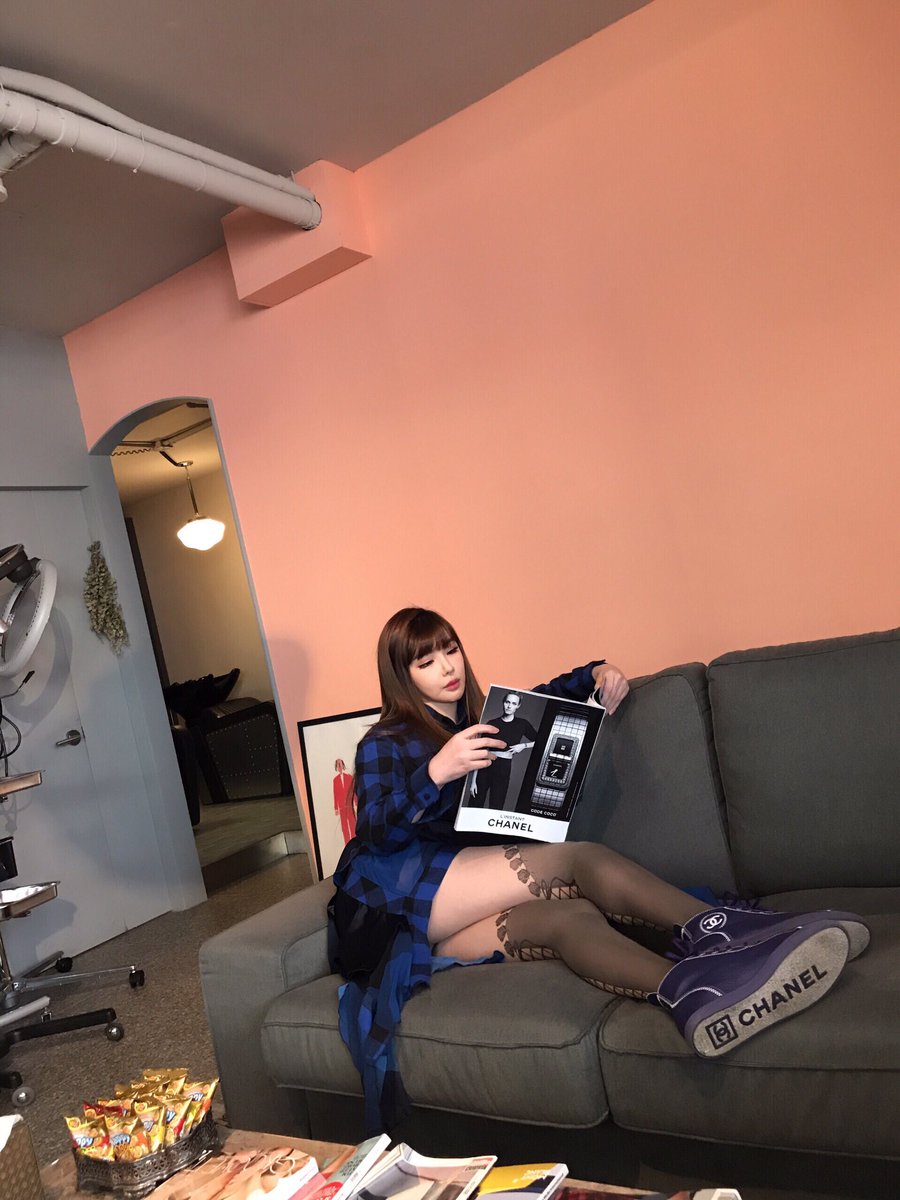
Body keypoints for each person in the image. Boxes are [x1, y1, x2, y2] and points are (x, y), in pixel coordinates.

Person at [329, 607, 869, 1134]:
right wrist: (435, 772)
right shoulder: (386, 741)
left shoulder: (479, 723)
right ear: (401, 676)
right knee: (577, 859)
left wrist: (596, 673)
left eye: (451, 650)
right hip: (387, 904)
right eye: (426, 662)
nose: (448, 667)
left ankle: (692, 995)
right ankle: (727, 932)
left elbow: (545, 700)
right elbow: (375, 830)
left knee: (570, 918)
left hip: (437, 922)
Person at [469, 691, 536, 809]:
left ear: (518, 706)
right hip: (485, 766)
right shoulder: (492, 723)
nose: (509, 706)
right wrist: (473, 781)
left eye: (514, 703)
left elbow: (541, 741)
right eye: (507, 702)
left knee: (497, 805)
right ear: (503, 703)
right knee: (475, 804)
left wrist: (523, 746)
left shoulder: (522, 724)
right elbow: (480, 753)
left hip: (503, 767)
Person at [333, 757, 357, 844]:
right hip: (342, 807)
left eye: (340, 764)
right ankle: (347, 843)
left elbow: (353, 790)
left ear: (343, 765)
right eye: (338, 765)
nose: (339, 766)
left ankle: (355, 841)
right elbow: (335, 794)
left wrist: (356, 801)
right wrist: (336, 808)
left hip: (349, 805)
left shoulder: (349, 777)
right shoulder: (335, 780)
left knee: (352, 824)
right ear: (336, 767)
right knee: (344, 826)